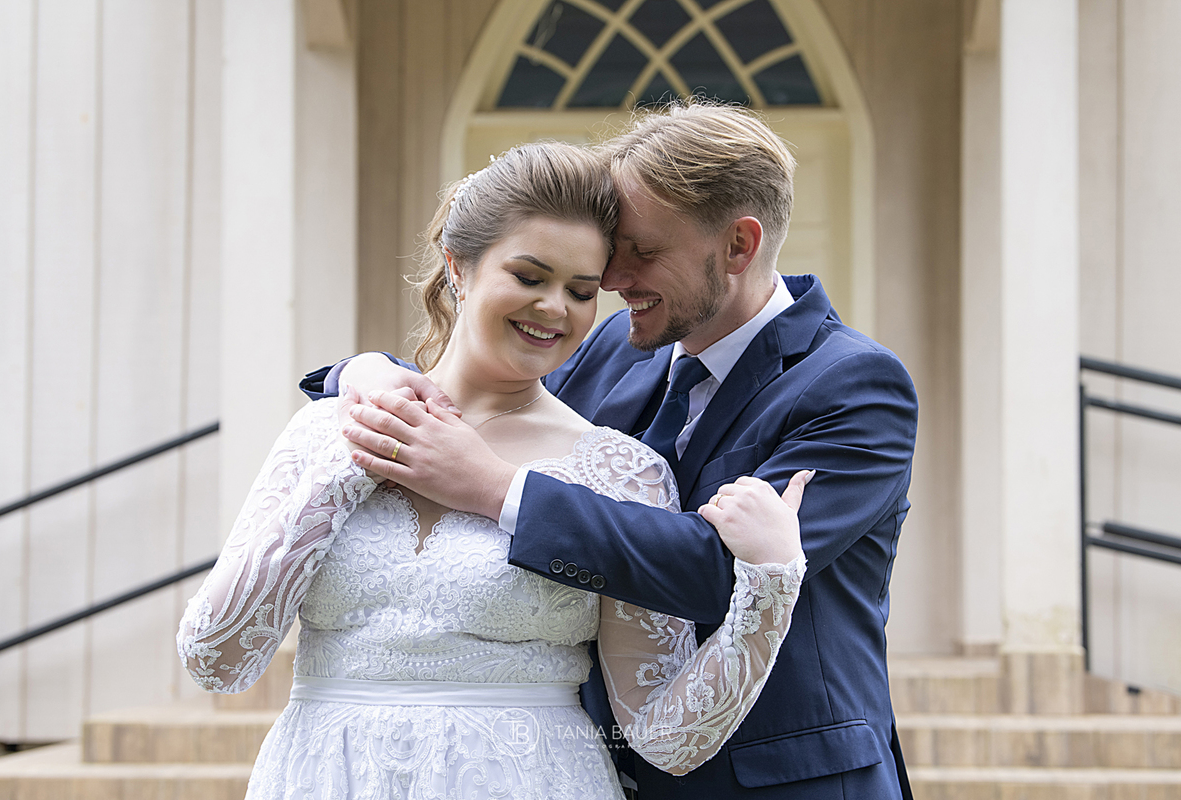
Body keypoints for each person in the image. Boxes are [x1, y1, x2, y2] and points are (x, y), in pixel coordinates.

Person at [311, 101, 919, 799]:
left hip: (782, 783)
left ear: (738, 247)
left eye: (643, 251)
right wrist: (359, 373)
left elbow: (718, 572)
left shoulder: (856, 387)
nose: (611, 278)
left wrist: (495, 488)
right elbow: (497, 400)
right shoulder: (616, 346)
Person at [178, 141, 810, 800]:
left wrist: (768, 589)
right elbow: (216, 660)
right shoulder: (328, 428)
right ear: (458, 266)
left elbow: (661, 737)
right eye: (530, 277)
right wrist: (348, 463)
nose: (555, 309)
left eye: (582, 290)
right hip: (320, 778)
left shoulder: (621, 472)